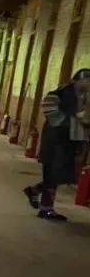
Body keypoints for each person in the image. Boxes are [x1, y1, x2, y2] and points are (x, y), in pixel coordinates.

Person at [24, 68, 90, 221]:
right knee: (54, 173)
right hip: (56, 140)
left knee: (61, 175)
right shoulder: (64, 92)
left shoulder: (81, 95)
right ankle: (46, 208)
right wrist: (70, 122)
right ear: (77, 80)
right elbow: (49, 108)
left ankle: (36, 193)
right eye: (86, 81)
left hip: (68, 140)